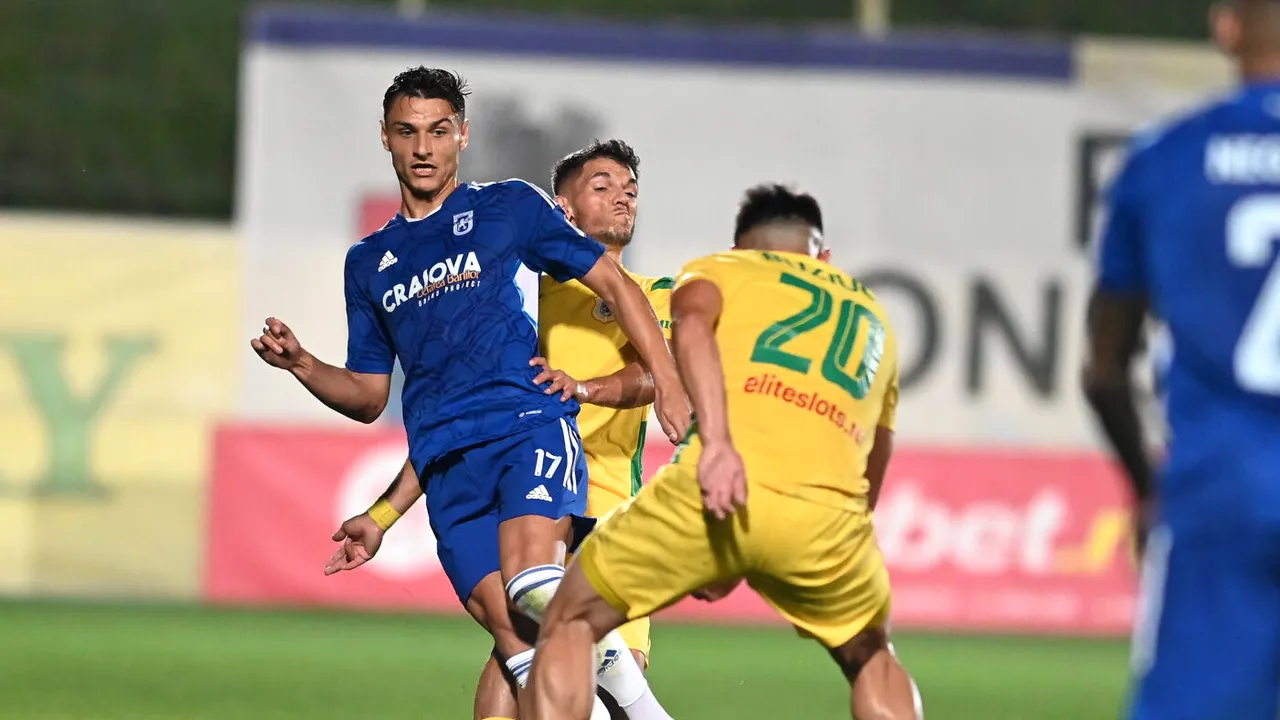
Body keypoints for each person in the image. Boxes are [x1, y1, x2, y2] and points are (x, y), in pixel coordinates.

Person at [250, 67, 687, 720]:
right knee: (516, 660)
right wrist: (304, 365)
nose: (423, 147)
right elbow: (374, 395)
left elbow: (618, 288)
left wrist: (669, 386)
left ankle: (642, 709)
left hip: (532, 436)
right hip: (450, 468)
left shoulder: (508, 212)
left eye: (438, 131)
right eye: (408, 132)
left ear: (462, 137)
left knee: (536, 588)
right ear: (386, 139)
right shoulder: (369, 264)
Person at [523, 185, 923, 720]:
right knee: (872, 654)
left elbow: (689, 329)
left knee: (569, 617)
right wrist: (845, 527)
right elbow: (877, 449)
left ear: (742, 247)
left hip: (713, 486)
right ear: (821, 255)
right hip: (827, 516)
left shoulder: (720, 270)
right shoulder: (873, 317)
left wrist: (717, 444)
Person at [1083, 3, 1280, 718]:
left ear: (1226, 26)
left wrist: (1144, 488)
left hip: (1217, 493)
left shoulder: (1162, 160)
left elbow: (1105, 368)